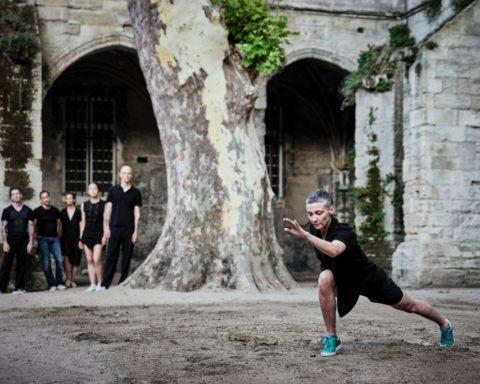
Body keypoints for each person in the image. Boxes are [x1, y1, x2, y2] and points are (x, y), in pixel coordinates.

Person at [283, 188, 455, 357]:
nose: (314, 218)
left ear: (331, 209)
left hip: (368, 278)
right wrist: (308, 234)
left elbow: (334, 251)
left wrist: (305, 235)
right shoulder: (315, 230)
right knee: (324, 278)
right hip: (342, 279)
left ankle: (444, 324)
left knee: (409, 305)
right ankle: (332, 337)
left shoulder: (344, 231)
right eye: (310, 214)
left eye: (319, 213)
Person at [103, 166, 142, 288]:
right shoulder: (113, 190)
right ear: (120, 175)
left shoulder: (136, 193)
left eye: (129, 173)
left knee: (127, 257)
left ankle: (123, 282)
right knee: (110, 256)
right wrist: (106, 228)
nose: (126, 175)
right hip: (114, 227)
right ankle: (105, 284)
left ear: (131, 175)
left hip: (129, 229)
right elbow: (107, 210)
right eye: (124, 173)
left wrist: (136, 231)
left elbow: (137, 213)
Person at [0, 188, 34, 294]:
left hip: (24, 240)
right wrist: (5, 242)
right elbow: (3, 228)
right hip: (10, 240)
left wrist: (31, 242)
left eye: (17, 193)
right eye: (13, 194)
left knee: (22, 264)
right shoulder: (7, 210)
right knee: (6, 264)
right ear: (11, 197)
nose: (16, 195)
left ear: (21, 195)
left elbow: (31, 226)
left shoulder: (28, 210)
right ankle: (1, 288)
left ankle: (19, 287)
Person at [34, 190, 66, 291]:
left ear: (49, 197)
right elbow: (33, 226)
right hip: (43, 239)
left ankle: (59, 282)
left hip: (55, 239)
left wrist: (58, 235)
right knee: (46, 264)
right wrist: (35, 239)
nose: (46, 199)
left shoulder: (55, 210)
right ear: (41, 200)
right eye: (43, 198)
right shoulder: (37, 211)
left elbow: (59, 224)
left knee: (60, 260)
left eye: (47, 197)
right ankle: (52, 284)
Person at [80, 183, 106, 292]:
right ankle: (92, 284)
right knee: (89, 260)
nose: (93, 190)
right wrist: (81, 238)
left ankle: (101, 284)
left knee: (97, 259)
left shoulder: (104, 204)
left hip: (99, 234)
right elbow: (83, 222)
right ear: (88, 191)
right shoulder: (83, 205)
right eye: (91, 189)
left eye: (95, 188)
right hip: (87, 234)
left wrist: (105, 235)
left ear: (98, 190)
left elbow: (106, 221)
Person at [60, 192, 82, 288]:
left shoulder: (78, 212)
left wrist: (81, 238)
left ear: (74, 200)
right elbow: (59, 226)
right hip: (65, 238)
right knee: (67, 259)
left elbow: (81, 225)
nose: (68, 200)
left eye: (70, 198)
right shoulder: (63, 212)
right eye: (67, 198)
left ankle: (73, 279)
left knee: (76, 259)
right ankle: (68, 279)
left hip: (76, 238)